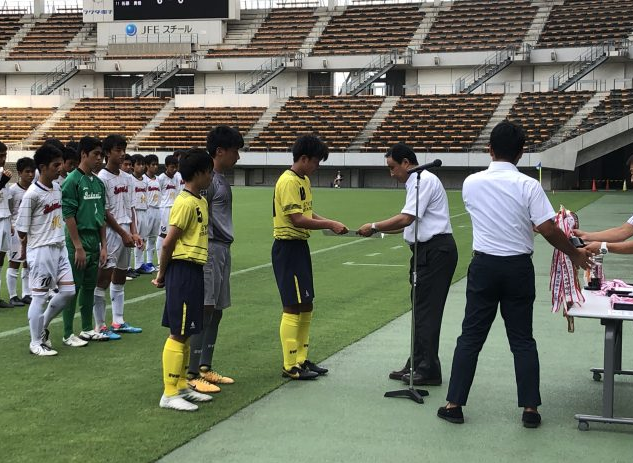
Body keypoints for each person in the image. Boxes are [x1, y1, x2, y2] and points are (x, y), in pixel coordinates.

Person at [437, 121, 592, 428]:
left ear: (489, 149)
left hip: (484, 266)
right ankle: (530, 410)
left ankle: (454, 404)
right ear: (522, 153)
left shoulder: (471, 182)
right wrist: (574, 252)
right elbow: (546, 228)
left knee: (470, 336)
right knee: (522, 339)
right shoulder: (529, 185)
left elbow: (493, 215)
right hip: (518, 267)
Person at [358, 143, 457, 386]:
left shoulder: (421, 179)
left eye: (393, 168)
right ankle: (418, 361)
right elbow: (408, 225)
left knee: (427, 311)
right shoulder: (416, 181)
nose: (391, 173)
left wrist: (374, 226)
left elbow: (406, 217)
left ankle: (428, 368)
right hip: (428, 251)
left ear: (405, 163)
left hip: (436, 251)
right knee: (420, 308)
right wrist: (377, 231)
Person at [273, 134, 348, 380]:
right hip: (288, 247)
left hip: (300, 247)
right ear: (303, 158)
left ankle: (302, 360)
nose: (317, 167)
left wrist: (328, 222)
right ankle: (290, 364)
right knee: (292, 305)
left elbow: (307, 212)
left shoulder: (302, 180)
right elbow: (297, 219)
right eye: (316, 162)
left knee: (307, 303)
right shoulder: (288, 181)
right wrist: (330, 223)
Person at [153, 148, 214, 411]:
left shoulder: (201, 200)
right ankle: (168, 393)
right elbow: (168, 243)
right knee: (178, 332)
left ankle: (180, 386)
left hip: (195, 269)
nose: (212, 176)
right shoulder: (185, 203)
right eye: (209, 172)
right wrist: (162, 274)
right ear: (199, 173)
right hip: (183, 270)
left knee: (188, 330)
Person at [188, 126, 242, 393]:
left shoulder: (220, 178)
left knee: (217, 310)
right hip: (209, 248)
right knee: (205, 308)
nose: (238, 158)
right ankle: (191, 371)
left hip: (223, 249)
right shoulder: (206, 180)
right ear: (220, 151)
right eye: (235, 152)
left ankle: (206, 367)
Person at [17, 144, 76, 356]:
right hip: (41, 250)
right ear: (42, 167)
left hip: (59, 247)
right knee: (39, 297)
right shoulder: (31, 195)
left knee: (69, 291)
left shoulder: (57, 188)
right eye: (56, 165)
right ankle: (35, 342)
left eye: (61, 164)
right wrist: (27, 253)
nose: (60, 168)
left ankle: (42, 328)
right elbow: (21, 230)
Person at [94, 134, 143, 340]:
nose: (122, 154)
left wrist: (133, 232)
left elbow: (131, 207)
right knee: (103, 279)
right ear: (107, 153)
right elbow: (105, 212)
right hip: (111, 233)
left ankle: (119, 321)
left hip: (125, 232)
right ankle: (99, 325)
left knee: (121, 276)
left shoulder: (127, 178)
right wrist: (123, 233)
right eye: (117, 150)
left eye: (124, 149)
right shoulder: (101, 179)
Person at [61, 136, 109, 345]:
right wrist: (78, 246)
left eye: (101, 155)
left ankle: (87, 328)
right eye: (95, 154)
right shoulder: (72, 181)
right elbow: (69, 215)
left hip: (94, 241)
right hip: (77, 241)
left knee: (90, 286)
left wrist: (104, 245)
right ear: (83, 154)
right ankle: (67, 333)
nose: (99, 159)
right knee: (73, 288)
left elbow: (102, 216)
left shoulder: (98, 183)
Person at [6, 157, 36, 307]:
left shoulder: (34, 189)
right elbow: (9, 210)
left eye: (32, 171)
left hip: (31, 230)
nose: (30, 175)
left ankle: (26, 294)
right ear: (19, 173)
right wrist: (11, 225)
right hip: (16, 230)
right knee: (14, 263)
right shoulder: (12, 190)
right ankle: (13, 296)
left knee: (28, 263)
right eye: (27, 172)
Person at [130, 154, 152, 274]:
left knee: (143, 239)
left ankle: (139, 265)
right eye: (138, 164)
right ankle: (128, 267)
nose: (141, 167)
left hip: (144, 211)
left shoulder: (145, 180)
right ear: (133, 166)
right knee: (132, 238)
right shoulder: (129, 179)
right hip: (134, 211)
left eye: (143, 164)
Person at [157, 154, 180, 260]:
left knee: (172, 234)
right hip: (164, 209)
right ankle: (159, 259)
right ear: (166, 166)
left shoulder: (176, 177)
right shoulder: (161, 178)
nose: (174, 169)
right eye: (172, 167)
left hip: (174, 208)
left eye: (176, 167)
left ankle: (170, 257)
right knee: (163, 234)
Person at [0, 142, 14, 308]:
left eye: (4, 155)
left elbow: (7, 201)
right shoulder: (4, 177)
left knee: (0, 259)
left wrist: (10, 221)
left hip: (5, 219)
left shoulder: (4, 174)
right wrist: (3, 181)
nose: (3, 159)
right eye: (0, 155)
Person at [143, 154, 161, 272]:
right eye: (153, 165)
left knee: (153, 238)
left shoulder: (159, 179)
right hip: (147, 209)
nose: (155, 167)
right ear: (147, 166)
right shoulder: (143, 179)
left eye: (156, 164)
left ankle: (149, 262)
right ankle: (139, 264)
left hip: (157, 210)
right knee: (143, 238)